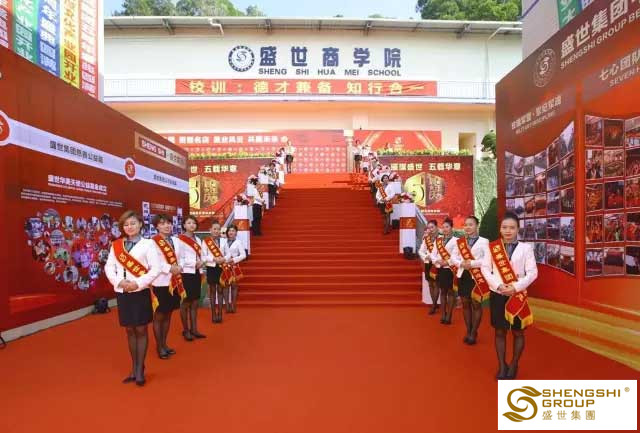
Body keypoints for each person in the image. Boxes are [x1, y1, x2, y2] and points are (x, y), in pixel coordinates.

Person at [105, 210, 160, 386]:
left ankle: (140, 369)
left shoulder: (148, 244)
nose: (129, 227)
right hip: (123, 292)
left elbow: (155, 268)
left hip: (140, 291)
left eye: (133, 223)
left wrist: (138, 283)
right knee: (129, 330)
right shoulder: (116, 245)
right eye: (126, 224)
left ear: (140, 224)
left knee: (141, 329)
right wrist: (119, 282)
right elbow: (109, 267)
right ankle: (135, 366)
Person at [481, 212, 537, 380]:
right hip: (498, 293)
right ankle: (502, 365)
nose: (508, 231)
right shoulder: (492, 248)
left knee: (518, 333)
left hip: (517, 295)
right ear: (500, 229)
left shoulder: (526, 248)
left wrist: (515, 287)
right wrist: (498, 285)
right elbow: (485, 269)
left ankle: (514, 364)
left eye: (512, 227)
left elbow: (532, 273)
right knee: (500, 332)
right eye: (504, 227)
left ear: (518, 229)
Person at [150, 214, 185, 359]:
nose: (167, 226)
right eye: (162, 223)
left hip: (174, 282)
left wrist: (180, 267)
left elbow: (182, 257)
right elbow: (153, 262)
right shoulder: (152, 242)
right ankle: (159, 346)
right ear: (157, 226)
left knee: (169, 314)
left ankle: (164, 344)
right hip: (160, 282)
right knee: (159, 315)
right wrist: (170, 268)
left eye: (169, 223)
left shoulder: (176, 240)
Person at [451, 216, 490, 345]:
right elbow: (453, 257)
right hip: (463, 275)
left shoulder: (484, 241)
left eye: (471, 224)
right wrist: (461, 263)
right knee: (465, 303)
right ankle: (468, 330)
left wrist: (472, 263)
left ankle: (474, 332)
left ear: (477, 226)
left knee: (476, 304)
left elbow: (488, 260)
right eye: (466, 225)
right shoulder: (460, 242)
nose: (468, 227)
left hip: (476, 276)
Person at [176, 215, 206, 341]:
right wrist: (193, 263)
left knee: (195, 302)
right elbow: (179, 259)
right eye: (189, 223)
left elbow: (202, 255)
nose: (192, 225)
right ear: (184, 225)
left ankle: (194, 329)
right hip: (186, 273)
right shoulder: (179, 240)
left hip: (196, 273)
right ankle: (186, 330)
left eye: (193, 223)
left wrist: (202, 261)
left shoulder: (198, 239)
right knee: (186, 302)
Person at [430, 218, 458, 325]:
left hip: (451, 270)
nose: (445, 229)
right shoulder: (438, 240)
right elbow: (433, 254)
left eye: (447, 227)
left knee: (451, 292)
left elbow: (457, 255)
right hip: (440, 269)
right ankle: (443, 314)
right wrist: (438, 261)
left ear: (451, 228)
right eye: (443, 227)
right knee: (442, 292)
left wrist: (447, 262)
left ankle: (449, 316)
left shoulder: (456, 241)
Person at [203, 220, 227, 323]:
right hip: (211, 268)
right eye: (214, 229)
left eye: (218, 229)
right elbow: (203, 256)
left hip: (221, 267)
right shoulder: (206, 241)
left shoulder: (224, 241)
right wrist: (214, 259)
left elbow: (228, 254)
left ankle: (220, 314)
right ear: (210, 230)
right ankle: (213, 314)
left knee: (220, 291)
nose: (216, 231)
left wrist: (223, 258)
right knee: (212, 291)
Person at [222, 225, 246, 313]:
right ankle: (227, 305)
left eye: (233, 231)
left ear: (236, 232)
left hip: (234, 266)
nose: (231, 232)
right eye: (229, 231)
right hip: (224, 265)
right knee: (225, 286)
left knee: (234, 285)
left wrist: (234, 260)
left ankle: (233, 304)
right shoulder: (223, 241)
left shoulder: (238, 242)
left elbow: (243, 255)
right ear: (227, 232)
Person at [418, 220, 440, 315]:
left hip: (437, 264)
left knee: (436, 284)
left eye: (432, 227)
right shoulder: (426, 239)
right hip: (428, 264)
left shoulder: (441, 239)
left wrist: (434, 258)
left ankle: (434, 305)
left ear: (436, 227)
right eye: (429, 228)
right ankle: (434, 303)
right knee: (431, 284)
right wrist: (425, 257)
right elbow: (421, 251)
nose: (430, 229)